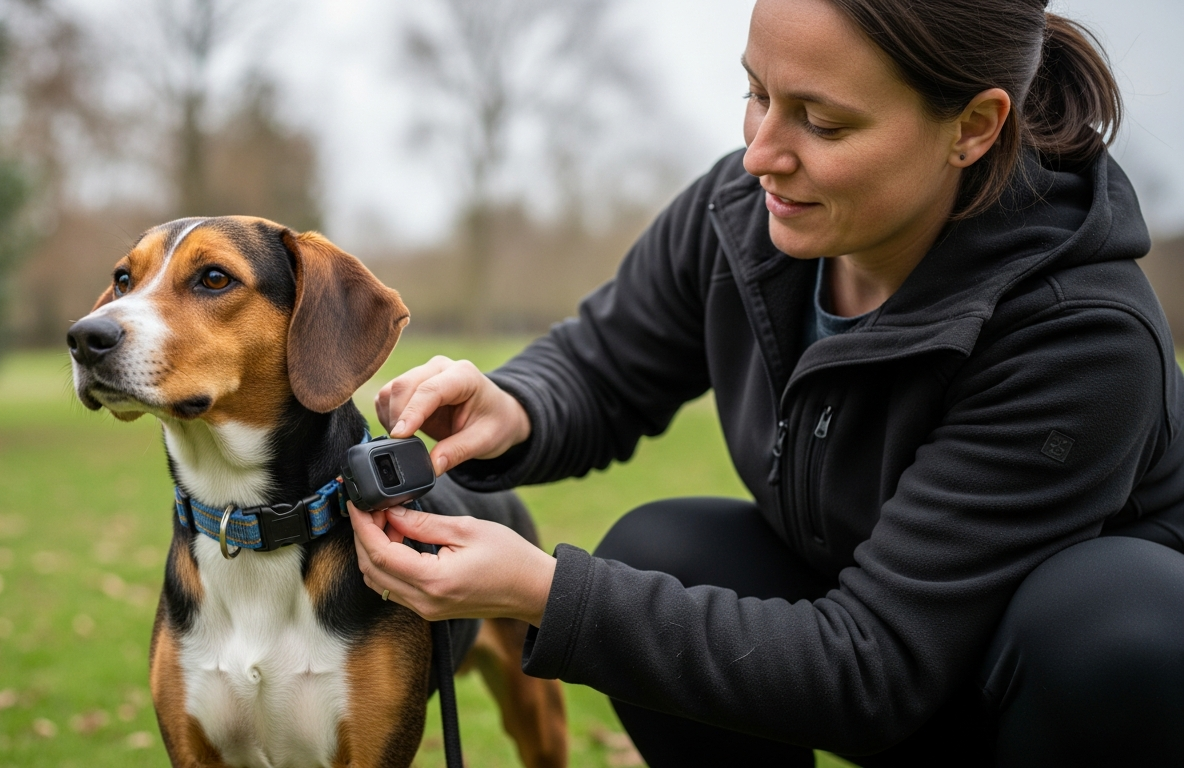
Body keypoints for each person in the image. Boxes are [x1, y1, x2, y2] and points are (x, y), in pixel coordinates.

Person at [346, 0, 1184, 764]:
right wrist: (513, 404)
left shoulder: (1078, 335)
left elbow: (879, 665)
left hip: (1023, 701)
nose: (759, 154)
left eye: (821, 121)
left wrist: (542, 593)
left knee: (1116, 624)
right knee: (666, 548)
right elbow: (604, 363)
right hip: (863, 648)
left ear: (972, 126)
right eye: (757, 92)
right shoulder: (746, 213)